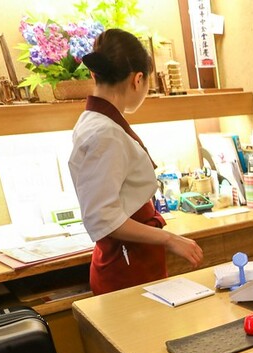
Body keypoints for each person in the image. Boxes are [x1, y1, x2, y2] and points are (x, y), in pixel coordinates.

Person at [69, 29, 202, 295]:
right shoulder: (105, 132)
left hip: (131, 258)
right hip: (125, 264)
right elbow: (104, 219)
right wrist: (170, 239)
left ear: (96, 74)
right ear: (138, 79)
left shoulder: (98, 122)